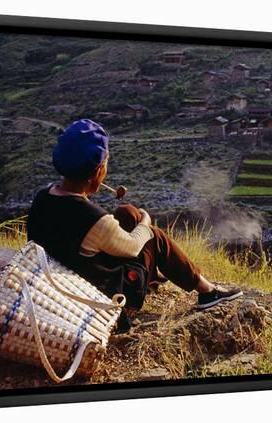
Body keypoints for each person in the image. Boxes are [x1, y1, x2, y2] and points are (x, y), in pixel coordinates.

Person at [27, 119, 243, 326]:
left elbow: (73, 223)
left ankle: (154, 275)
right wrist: (146, 222)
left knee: (126, 213)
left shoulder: (43, 196)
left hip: (68, 281)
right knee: (154, 235)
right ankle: (207, 291)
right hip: (105, 296)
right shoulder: (93, 220)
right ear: (98, 170)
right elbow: (131, 247)